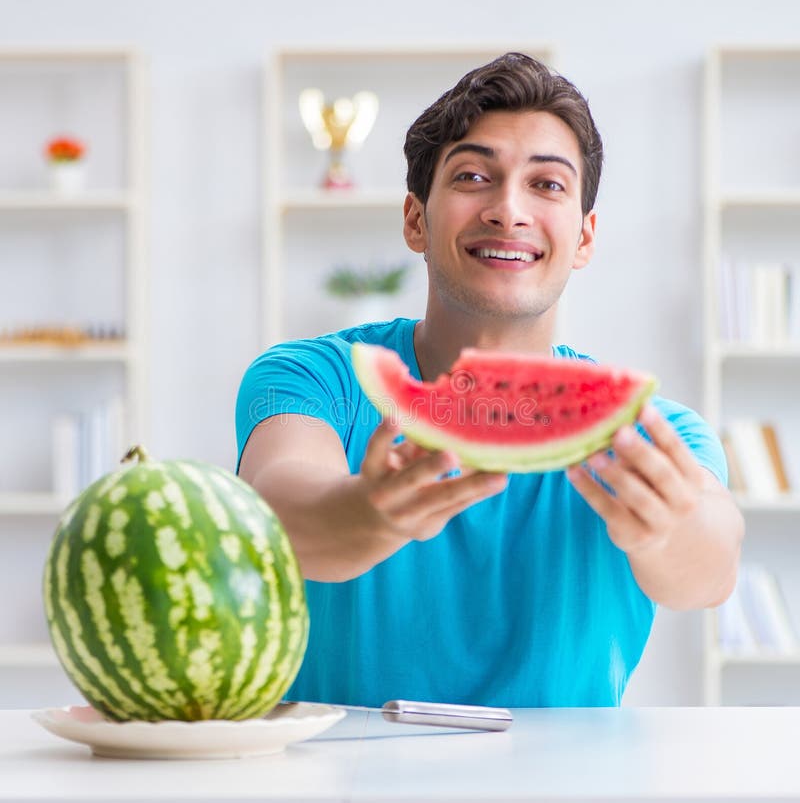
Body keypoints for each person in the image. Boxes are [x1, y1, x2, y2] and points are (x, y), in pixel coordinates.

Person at [236, 53, 744, 707]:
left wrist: (663, 528)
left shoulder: (656, 433)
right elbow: (274, 510)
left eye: (548, 185)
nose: (508, 209)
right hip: (341, 777)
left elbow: (710, 570)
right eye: (474, 176)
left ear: (585, 238)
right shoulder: (319, 377)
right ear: (415, 220)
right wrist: (367, 510)